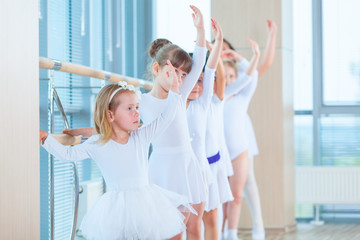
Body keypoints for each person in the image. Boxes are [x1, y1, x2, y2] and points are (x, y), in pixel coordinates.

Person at [40, 75, 195, 239]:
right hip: (116, 210)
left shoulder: (141, 137)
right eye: (130, 108)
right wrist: (45, 138)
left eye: (137, 107)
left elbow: (166, 118)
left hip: (146, 204)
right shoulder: (97, 144)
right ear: (110, 115)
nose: (137, 113)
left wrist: (174, 91)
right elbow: (67, 155)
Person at [139, 5, 208, 240]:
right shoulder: (141, 102)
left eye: (182, 74)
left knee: (184, 226)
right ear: (157, 69)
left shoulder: (179, 94)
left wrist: (200, 30)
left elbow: (198, 62)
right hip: (161, 168)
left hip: (185, 165)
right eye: (173, 71)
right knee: (168, 230)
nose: (178, 78)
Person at [221, 19, 277, 240]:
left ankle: (258, 226)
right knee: (224, 189)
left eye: (225, 50)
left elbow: (263, 66)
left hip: (241, 132)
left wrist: (271, 36)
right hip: (220, 136)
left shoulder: (242, 81)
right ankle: (224, 230)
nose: (222, 53)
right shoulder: (216, 88)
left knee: (247, 180)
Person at [186, 18, 231, 240]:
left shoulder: (208, 102)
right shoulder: (181, 106)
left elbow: (216, 74)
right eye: (193, 80)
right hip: (188, 169)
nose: (197, 86)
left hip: (209, 166)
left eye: (202, 81)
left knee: (211, 219)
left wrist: (215, 45)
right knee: (191, 222)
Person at [221, 38, 260, 240]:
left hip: (239, 153)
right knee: (221, 200)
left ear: (236, 78)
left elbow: (252, 77)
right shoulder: (216, 98)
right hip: (219, 155)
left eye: (231, 76)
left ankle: (232, 234)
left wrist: (239, 58)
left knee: (236, 197)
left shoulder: (242, 97)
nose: (228, 80)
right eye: (224, 76)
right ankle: (218, 233)